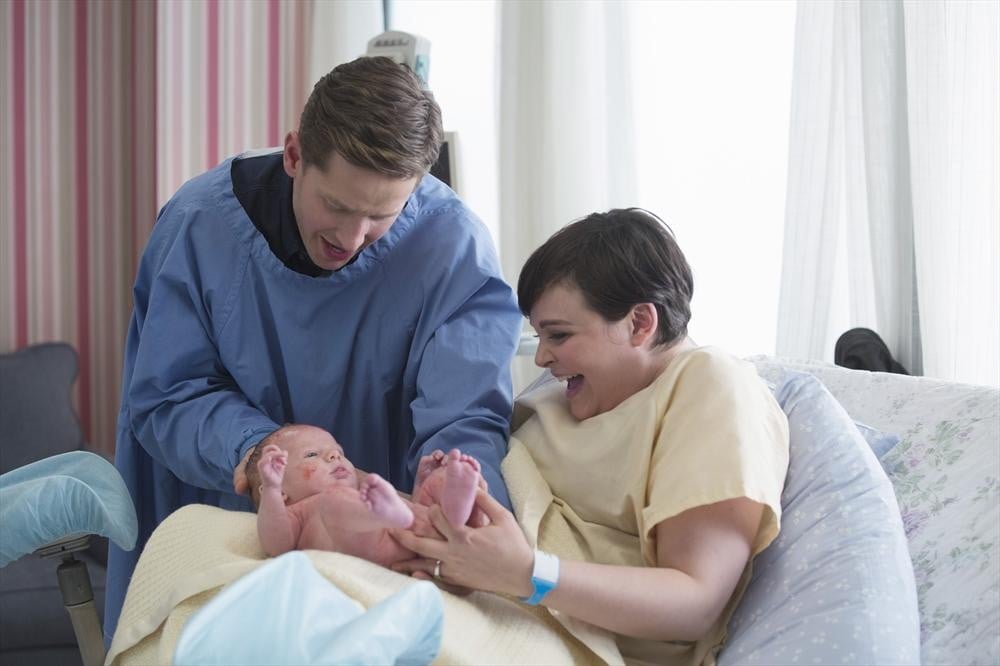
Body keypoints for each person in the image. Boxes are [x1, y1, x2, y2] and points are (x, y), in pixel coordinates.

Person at [106, 56, 522, 643]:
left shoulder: (453, 247)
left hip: (384, 544)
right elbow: (169, 395)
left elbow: (467, 414)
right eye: (339, 207)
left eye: (382, 216)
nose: (352, 241)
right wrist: (265, 455)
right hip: (234, 520)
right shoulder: (199, 226)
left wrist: (454, 499)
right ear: (295, 155)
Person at [392, 208, 790, 665]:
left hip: (558, 634)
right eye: (540, 336)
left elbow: (694, 602)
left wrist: (526, 573)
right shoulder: (572, 394)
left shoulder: (710, 385)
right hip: (472, 592)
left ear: (640, 323)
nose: (541, 357)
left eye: (558, 335)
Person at [245, 424, 483, 565]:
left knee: (432, 490)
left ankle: (454, 507)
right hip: (377, 546)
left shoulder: (368, 493)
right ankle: (441, 509)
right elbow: (275, 546)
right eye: (311, 455)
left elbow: (410, 517)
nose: (334, 456)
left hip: (411, 533)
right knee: (335, 501)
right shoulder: (299, 514)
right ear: (281, 492)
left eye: (338, 451)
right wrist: (272, 492)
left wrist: (421, 484)